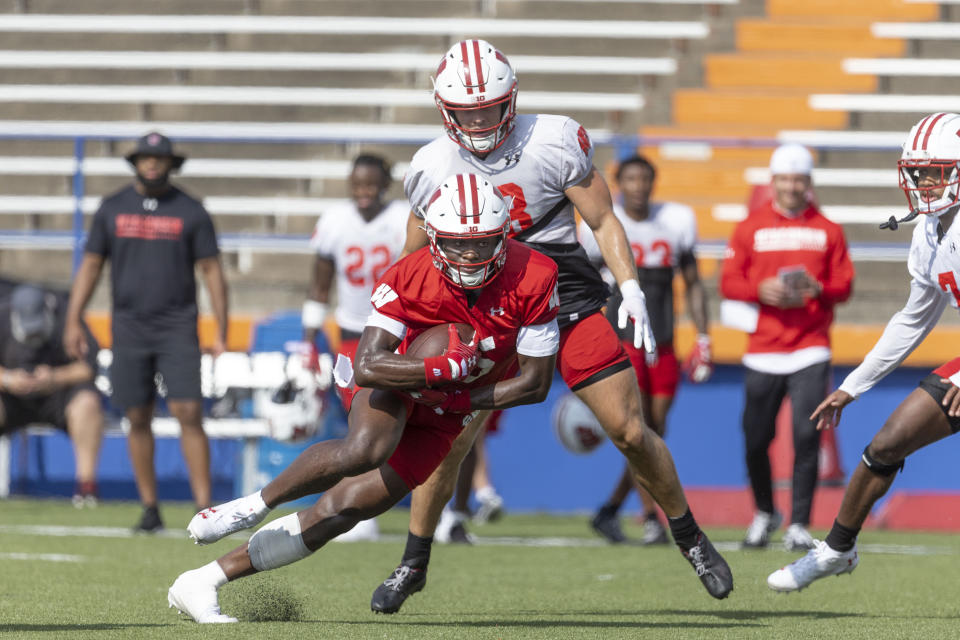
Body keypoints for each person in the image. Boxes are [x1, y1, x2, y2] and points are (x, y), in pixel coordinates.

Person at [370, 39, 733, 614]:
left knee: (630, 430)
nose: (480, 119)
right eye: (466, 110)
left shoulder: (554, 138)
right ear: (445, 111)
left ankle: (689, 536)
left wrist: (631, 286)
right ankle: (414, 558)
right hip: (480, 303)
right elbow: (413, 259)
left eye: (489, 106)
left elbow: (603, 217)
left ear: (511, 100)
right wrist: (405, 323)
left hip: (561, 287)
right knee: (451, 439)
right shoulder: (430, 164)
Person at [168, 173, 561, 623]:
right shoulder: (410, 274)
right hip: (396, 376)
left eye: (482, 242)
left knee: (345, 510)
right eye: (455, 243)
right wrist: (435, 370)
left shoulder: (535, 274)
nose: (469, 254)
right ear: (433, 237)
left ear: (503, 236)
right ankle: (251, 506)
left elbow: (534, 384)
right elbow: (369, 364)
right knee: (365, 448)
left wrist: (452, 398)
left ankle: (202, 581)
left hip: (453, 407)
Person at [767, 112, 960, 590]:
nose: (922, 184)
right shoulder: (930, 233)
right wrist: (852, 387)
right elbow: (913, 319)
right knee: (887, 443)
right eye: (916, 173)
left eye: (933, 172)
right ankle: (836, 549)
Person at [64, 131, 229, 532]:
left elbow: (212, 272)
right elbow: (90, 265)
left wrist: (221, 329)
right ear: (136, 162)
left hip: (177, 326)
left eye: (159, 158)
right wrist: (73, 318)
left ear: (171, 163)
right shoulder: (112, 207)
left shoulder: (191, 210)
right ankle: (150, 507)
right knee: (136, 415)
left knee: (188, 411)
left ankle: (205, 509)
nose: (152, 164)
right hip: (129, 326)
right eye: (145, 157)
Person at [720, 143, 854, 551]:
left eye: (799, 179)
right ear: (773, 181)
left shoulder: (829, 229)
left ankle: (798, 523)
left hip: (810, 347)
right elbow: (728, 282)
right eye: (785, 179)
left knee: (806, 436)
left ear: (809, 182)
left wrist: (821, 289)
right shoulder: (749, 227)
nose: (793, 187)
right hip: (763, 348)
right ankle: (764, 512)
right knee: (754, 437)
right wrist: (759, 290)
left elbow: (845, 286)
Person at [579, 154, 712, 545]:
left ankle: (610, 509)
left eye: (645, 179)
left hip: (664, 339)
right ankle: (652, 517)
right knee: (642, 428)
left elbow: (693, 283)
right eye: (631, 179)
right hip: (622, 338)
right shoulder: (600, 226)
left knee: (655, 429)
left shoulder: (676, 221)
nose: (638, 186)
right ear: (619, 183)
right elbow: (586, 288)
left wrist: (703, 336)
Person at [301, 153, 408, 540]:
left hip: (400, 331)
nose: (363, 193)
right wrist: (308, 339)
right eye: (357, 185)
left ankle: (446, 512)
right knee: (361, 422)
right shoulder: (335, 221)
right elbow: (320, 283)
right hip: (352, 334)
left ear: (385, 184)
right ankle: (360, 508)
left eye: (370, 185)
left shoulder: (402, 218)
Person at [0, 284, 103, 506]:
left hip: (59, 397)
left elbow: (89, 367)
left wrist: (54, 377)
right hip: (12, 398)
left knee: (87, 403)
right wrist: (9, 379)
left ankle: (86, 489)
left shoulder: (67, 318)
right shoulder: (2, 318)